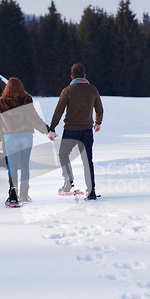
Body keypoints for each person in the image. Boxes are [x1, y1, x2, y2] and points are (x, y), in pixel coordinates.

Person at [48, 63, 104, 200]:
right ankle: (91, 192)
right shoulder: (93, 90)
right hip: (87, 131)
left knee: (63, 154)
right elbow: (100, 109)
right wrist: (98, 122)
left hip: (70, 130)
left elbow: (59, 111)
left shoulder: (67, 90)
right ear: (84, 76)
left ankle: (68, 182)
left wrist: (52, 128)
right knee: (87, 161)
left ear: (72, 76)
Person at [0, 77, 49, 207]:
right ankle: (24, 195)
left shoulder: (1, 102)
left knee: (12, 167)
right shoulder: (27, 99)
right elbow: (34, 118)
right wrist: (47, 131)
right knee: (25, 166)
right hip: (26, 137)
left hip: (10, 138)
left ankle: (13, 196)